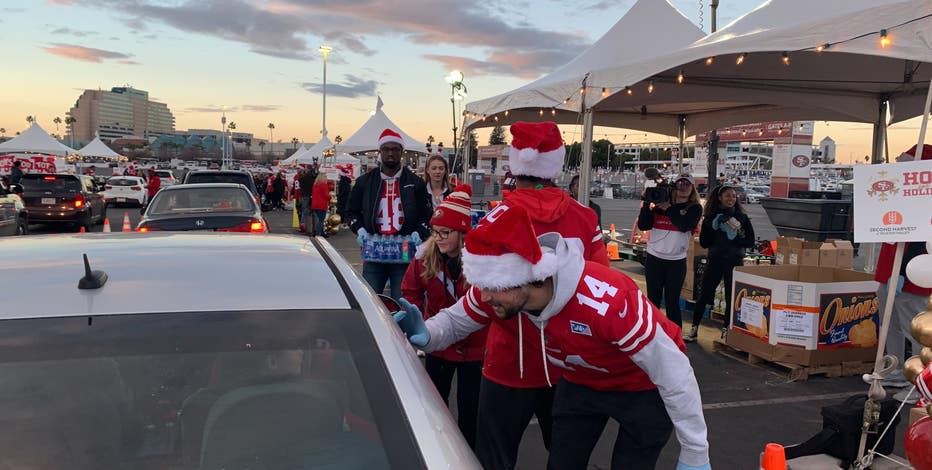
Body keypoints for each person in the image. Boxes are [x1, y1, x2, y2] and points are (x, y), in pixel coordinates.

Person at [394, 206, 711, 470]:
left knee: (631, 464)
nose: (484, 296)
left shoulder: (608, 303)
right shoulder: (500, 288)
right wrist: (428, 333)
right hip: (581, 381)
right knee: (562, 463)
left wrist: (696, 453)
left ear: (528, 278)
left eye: (491, 287)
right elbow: (456, 320)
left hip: (642, 385)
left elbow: (674, 372)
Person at [404, 121, 608, 469]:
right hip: (568, 367)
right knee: (568, 459)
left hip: (507, 365)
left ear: (516, 166)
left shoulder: (495, 221)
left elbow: (475, 304)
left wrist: (430, 332)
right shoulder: (586, 219)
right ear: (556, 166)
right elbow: (602, 291)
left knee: (493, 459)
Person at [400, 184, 486, 448]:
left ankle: (468, 456)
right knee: (435, 404)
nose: (438, 238)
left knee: (471, 409)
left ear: (462, 233)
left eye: (445, 232)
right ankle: (436, 451)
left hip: (476, 347)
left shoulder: (480, 261)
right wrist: (420, 323)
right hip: (438, 343)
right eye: (435, 232)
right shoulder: (425, 257)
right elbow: (409, 290)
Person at [875, 144, 932, 403]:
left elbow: (922, 239)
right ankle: (895, 370)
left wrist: (904, 272)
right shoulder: (900, 194)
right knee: (890, 328)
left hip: (913, 277)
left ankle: (921, 382)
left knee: (917, 331)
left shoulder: (926, 197)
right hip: (890, 269)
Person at [347, 128, 432, 300]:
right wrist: (360, 230)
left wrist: (418, 232)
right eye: (386, 149)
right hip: (374, 252)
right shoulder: (365, 182)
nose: (390, 153)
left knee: (404, 302)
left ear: (401, 152)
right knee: (371, 300)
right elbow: (350, 211)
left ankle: (403, 329)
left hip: (404, 252)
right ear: (380, 152)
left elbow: (426, 215)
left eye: (395, 149)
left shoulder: (415, 183)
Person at [688, 184, 755, 340]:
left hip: (734, 261)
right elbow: (704, 242)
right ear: (719, 198)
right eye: (727, 196)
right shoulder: (711, 218)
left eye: (733, 196)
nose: (731, 199)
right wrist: (714, 226)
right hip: (715, 259)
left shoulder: (742, 218)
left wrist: (736, 232)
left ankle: (726, 328)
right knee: (704, 294)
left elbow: (750, 241)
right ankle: (694, 327)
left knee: (732, 296)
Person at [637, 174, 702, 333]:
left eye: (687, 185)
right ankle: (650, 334)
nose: (684, 188)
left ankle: (675, 337)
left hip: (676, 262)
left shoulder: (694, 208)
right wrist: (647, 204)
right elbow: (644, 225)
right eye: (680, 184)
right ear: (674, 187)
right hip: (654, 258)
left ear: (692, 188)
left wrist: (671, 209)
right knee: (653, 300)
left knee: (672, 302)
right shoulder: (660, 205)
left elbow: (684, 225)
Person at [310, 172, 331, 237]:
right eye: (325, 177)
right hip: (322, 204)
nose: (326, 178)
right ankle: (318, 233)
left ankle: (321, 233)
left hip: (315, 205)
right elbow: (326, 196)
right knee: (321, 220)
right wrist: (330, 197)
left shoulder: (315, 185)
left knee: (319, 219)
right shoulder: (324, 185)